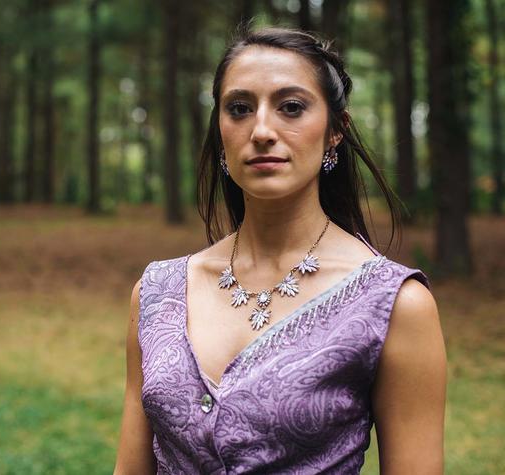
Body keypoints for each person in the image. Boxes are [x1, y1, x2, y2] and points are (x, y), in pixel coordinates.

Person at [114, 26, 446, 474]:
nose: (263, 130)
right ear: (220, 130)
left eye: (291, 107)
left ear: (335, 131)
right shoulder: (156, 294)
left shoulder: (396, 305)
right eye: (239, 109)